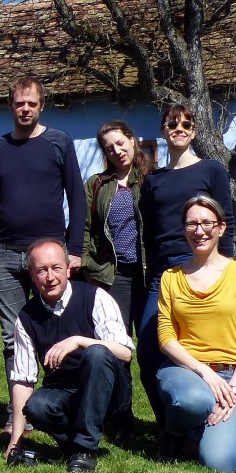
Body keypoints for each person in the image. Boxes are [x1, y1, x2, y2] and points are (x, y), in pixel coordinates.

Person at [0, 76, 86, 432]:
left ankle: (58, 406)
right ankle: (18, 414)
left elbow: (77, 197)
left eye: (32, 104)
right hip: (6, 254)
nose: (25, 109)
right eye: (19, 103)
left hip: (49, 256)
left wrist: (74, 249)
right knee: (12, 336)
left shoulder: (58, 142)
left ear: (41, 106)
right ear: (10, 105)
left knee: (55, 332)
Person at [137, 104, 236, 431]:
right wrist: (152, 274)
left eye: (185, 124)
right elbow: (150, 232)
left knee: (199, 348)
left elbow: (226, 221)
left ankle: (219, 417)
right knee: (149, 352)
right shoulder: (154, 180)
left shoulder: (212, 170)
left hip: (201, 266)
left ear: (193, 131)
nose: (179, 129)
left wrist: (224, 270)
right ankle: (171, 426)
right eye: (172, 124)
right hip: (163, 274)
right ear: (163, 131)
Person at [6, 238, 134, 473]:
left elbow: (125, 353)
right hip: (64, 390)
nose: (50, 277)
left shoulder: (96, 297)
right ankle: (75, 445)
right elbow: (23, 378)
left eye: (56, 268)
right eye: (41, 270)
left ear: (68, 268)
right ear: (32, 276)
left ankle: (85, 450)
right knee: (36, 406)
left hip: (109, 391)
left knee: (97, 353)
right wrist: (16, 441)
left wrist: (79, 341)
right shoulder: (26, 317)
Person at [155, 196, 236, 473]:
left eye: (207, 223)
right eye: (191, 224)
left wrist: (233, 390)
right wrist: (204, 372)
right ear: (183, 230)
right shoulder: (171, 277)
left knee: (221, 463)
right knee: (193, 400)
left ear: (221, 228)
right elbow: (166, 337)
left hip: (230, 377)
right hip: (186, 372)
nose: (199, 231)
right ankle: (176, 435)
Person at [83, 120, 154, 335]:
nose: (117, 151)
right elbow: (84, 228)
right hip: (114, 274)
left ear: (132, 139)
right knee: (116, 338)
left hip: (148, 272)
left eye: (120, 143)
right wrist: (88, 266)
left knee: (151, 339)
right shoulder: (97, 184)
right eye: (109, 148)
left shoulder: (152, 178)